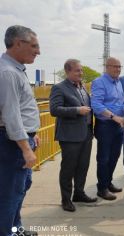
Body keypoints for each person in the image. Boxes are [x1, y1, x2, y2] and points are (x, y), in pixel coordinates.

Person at [0, 25, 40, 236]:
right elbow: (11, 116)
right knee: (9, 193)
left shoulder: (16, 69)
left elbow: (23, 109)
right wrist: (26, 147)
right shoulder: (7, 73)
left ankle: (16, 229)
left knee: (20, 188)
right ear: (18, 43)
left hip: (21, 139)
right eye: (34, 46)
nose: (38, 51)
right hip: (12, 144)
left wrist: (33, 133)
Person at [50, 59, 97, 212]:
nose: (81, 73)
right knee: (68, 168)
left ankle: (79, 193)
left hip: (86, 133)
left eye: (81, 70)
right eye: (77, 71)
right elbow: (55, 110)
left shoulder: (82, 87)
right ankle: (66, 199)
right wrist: (77, 110)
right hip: (70, 136)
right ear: (68, 71)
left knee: (83, 166)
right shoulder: (59, 88)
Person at [91, 57, 124, 201]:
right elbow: (97, 105)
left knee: (115, 156)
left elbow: (120, 104)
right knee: (104, 158)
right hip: (106, 125)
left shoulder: (118, 82)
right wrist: (114, 117)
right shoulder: (99, 82)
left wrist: (123, 119)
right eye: (115, 67)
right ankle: (102, 188)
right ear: (107, 67)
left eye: (119, 67)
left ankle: (108, 182)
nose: (118, 69)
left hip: (118, 125)